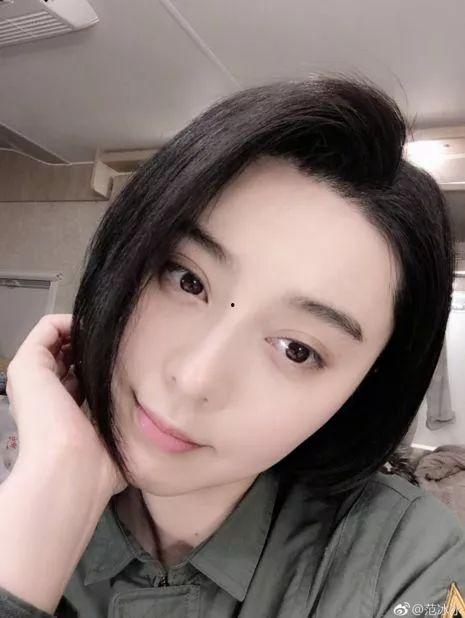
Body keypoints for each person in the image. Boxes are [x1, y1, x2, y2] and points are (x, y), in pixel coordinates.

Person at [1, 75, 464, 618]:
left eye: (296, 349)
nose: (195, 377)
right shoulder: (25, 481)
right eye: (188, 281)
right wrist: (53, 491)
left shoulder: (414, 563)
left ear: (362, 392)